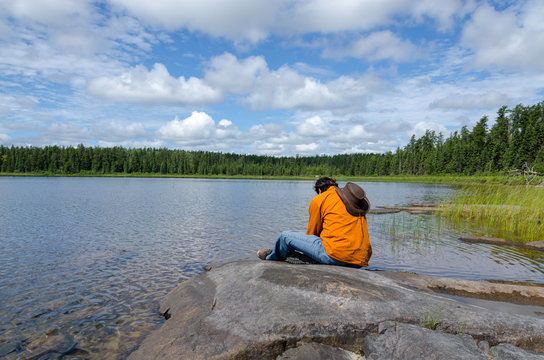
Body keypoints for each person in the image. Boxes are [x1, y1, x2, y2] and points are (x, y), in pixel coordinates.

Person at [257, 177, 372, 268]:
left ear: (319, 190)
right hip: (360, 261)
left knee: (285, 237)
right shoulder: (352, 202)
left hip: (335, 257)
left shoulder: (320, 199)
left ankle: (272, 258)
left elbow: (312, 233)